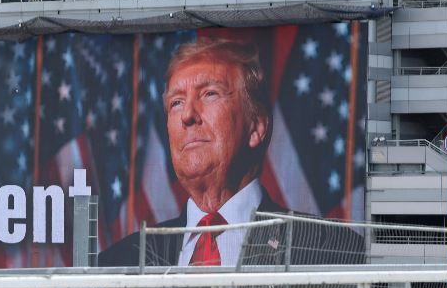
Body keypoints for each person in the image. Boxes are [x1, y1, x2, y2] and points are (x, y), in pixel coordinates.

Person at [100, 38, 364, 268]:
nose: (188, 115)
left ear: (256, 127)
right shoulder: (120, 262)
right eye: (176, 102)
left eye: (209, 94)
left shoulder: (330, 250)